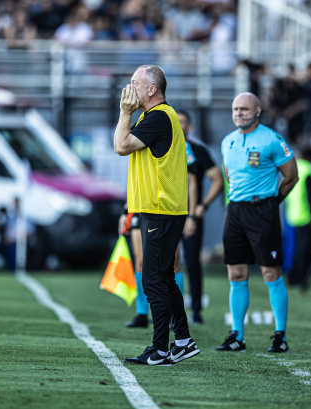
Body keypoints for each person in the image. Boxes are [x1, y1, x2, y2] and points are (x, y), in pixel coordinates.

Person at [114, 64, 199, 365]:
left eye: (135, 83)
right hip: (162, 208)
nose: (129, 89)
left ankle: (161, 349)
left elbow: (121, 146)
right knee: (164, 276)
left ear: (152, 89)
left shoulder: (160, 116)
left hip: (161, 209)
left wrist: (125, 113)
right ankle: (184, 341)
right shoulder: (157, 117)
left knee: (153, 280)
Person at [217, 92, 298, 353]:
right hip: (236, 212)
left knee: (270, 273)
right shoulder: (227, 142)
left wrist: (273, 202)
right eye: (235, 109)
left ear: (257, 111)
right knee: (236, 274)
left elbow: (291, 176)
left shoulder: (272, 139)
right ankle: (237, 336)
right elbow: (229, 176)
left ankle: (280, 336)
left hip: (263, 211)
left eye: (244, 109)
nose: (239, 113)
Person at [176, 109, 224, 324]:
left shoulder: (196, 151)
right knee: (168, 264)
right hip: (166, 214)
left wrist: (200, 208)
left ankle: (195, 311)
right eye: (174, 121)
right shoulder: (161, 148)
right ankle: (170, 311)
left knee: (192, 263)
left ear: (190, 126)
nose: (178, 125)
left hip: (190, 216)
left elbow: (217, 179)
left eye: (183, 122)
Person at [285, 148, 311, 288]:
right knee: (305, 250)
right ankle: (301, 277)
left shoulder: (294, 168)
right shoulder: (309, 170)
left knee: (297, 248)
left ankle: (293, 277)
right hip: (306, 216)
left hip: (294, 214)